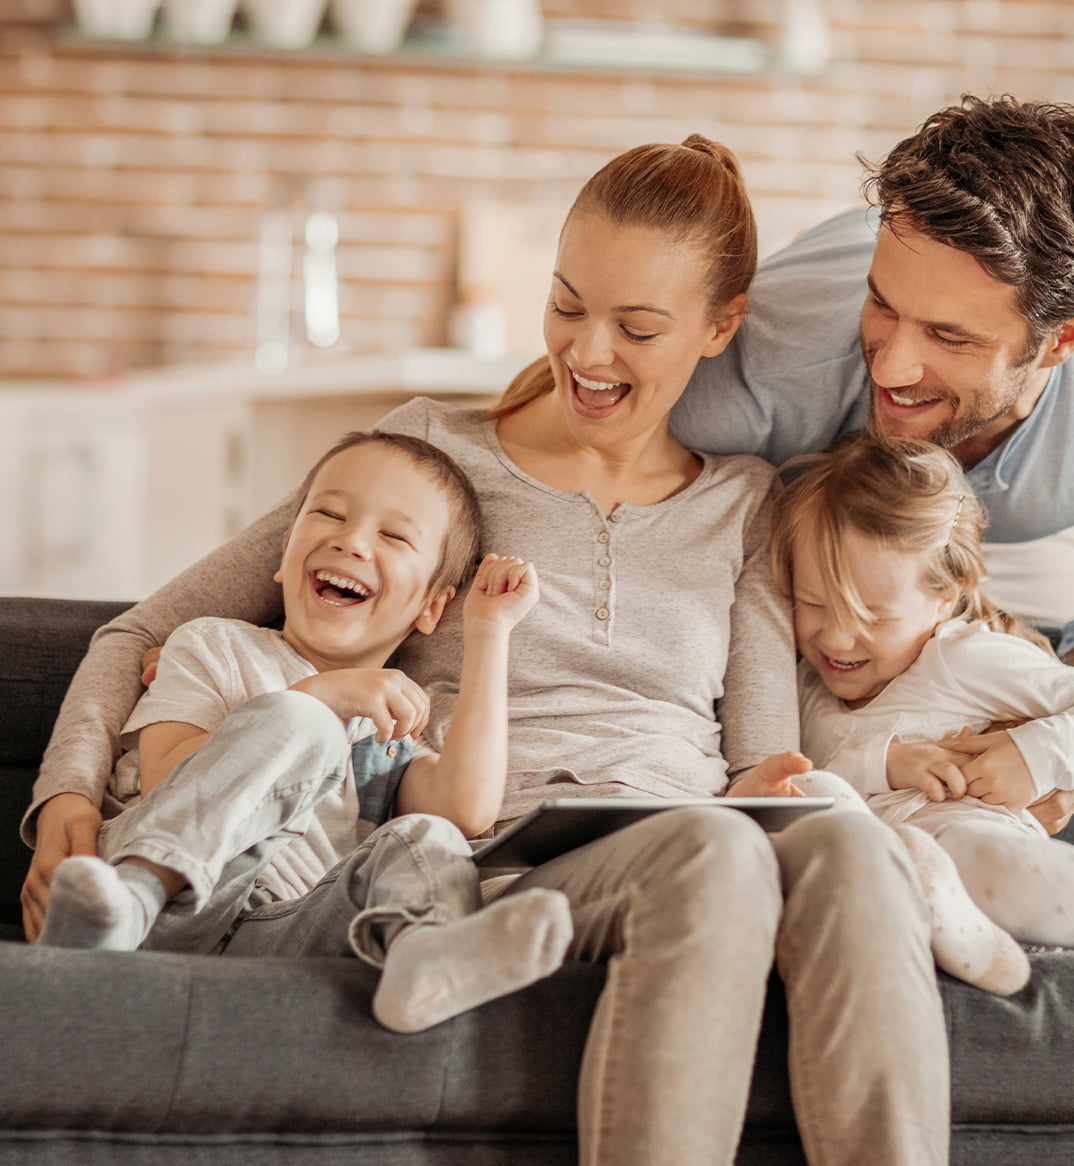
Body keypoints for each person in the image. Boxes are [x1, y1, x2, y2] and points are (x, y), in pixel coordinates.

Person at [24, 135, 948, 1165]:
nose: (589, 355)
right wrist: (66, 796)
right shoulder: (429, 454)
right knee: (716, 847)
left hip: (687, 820)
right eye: (565, 306)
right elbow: (143, 631)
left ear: (720, 326)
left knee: (848, 844)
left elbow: (759, 762)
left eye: (637, 327)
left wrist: (796, 778)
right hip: (501, 853)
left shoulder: (745, 500)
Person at [36, 429, 573, 1034]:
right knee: (300, 722)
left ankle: (426, 957)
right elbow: (169, 776)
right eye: (329, 514)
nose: (351, 540)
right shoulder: (213, 644)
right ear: (284, 553)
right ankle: (124, 907)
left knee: (429, 837)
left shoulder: (387, 718)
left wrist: (489, 632)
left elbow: (465, 808)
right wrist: (318, 699)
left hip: (279, 938)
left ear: (430, 608)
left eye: (393, 535)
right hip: (171, 906)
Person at [670, 95, 1074, 679]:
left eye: (948, 336)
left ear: (1059, 342)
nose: (888, 372)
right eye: (881, 303)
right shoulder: (744, 389)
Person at [764, 433, 1074, 949]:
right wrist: (888, 764)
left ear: (944, 600)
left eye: (873, 616)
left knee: (974, 847)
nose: (837, 639)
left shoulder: (963, 658)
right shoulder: (798, 682)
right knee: (813, 792)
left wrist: (1035, 755)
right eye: (812, 603)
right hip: (858, 869)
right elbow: (801, 766)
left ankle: (961, 927)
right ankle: (951, 931)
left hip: (965, 843)